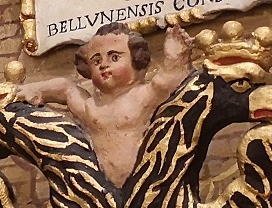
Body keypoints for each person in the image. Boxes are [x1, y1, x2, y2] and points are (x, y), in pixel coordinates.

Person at [19, 23, 192, 184]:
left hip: (146, 182)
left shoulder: (143, 95)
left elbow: (167, 81)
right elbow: (66, 89)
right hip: (101, 189)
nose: (103, 65)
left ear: (136, 59)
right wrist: (34, 90)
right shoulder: (91, 108)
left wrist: (175, 56)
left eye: (114, 57)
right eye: (96, 61)